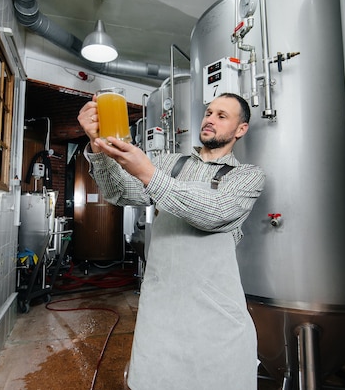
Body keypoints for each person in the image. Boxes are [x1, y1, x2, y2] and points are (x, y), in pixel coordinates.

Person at [77, 92, 265, 390]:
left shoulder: (247, 176)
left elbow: (215, 211)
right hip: (161, 315)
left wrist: (149, 174)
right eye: (209, 112)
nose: (210, 120)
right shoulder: (171, 164)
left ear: (240, 130)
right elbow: (118, 192)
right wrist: (97, 148)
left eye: (222, 116)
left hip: (214, 320)